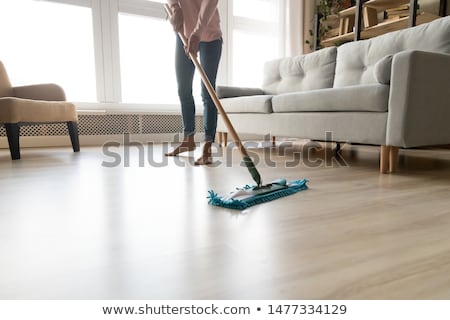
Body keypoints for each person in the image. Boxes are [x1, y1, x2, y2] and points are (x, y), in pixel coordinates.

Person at [165, 0, 222, 165]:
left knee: (207, 91)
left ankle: (207, 146)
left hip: (210, 36)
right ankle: (188, 139)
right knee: (183, 88)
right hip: (184, 35)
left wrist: (197, 32)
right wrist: (175, 8)